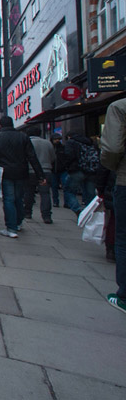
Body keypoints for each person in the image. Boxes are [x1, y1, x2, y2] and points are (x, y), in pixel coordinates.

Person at [0, 116, 45, 239]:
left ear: (0, 126)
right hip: (21, 172)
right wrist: (40, 175)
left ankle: (11, 228)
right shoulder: (23, 137)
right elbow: (32, 157)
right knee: (19, 198)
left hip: (5, 172)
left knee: (9, 199)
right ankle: (18, 223)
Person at [100, 98, 126, 314]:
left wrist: (112, 168)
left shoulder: (119, 107)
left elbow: (113, 148)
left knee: (124, 238)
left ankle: (124, 295)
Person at [23, 127, 55, 224]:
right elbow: (53, 157)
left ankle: (27, 212)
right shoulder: (47, 143)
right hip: (46, 170)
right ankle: (46, 216)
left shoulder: (26, 142)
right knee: (45, 194)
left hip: (30, 171)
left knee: (29, 192)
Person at [64, 129, 99, 216]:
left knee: (69, 191)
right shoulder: (90, 142)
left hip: (77, 170)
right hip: (91, 171)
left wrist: (68, 166)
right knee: (90, 193)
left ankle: (78, 209)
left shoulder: (71, 142)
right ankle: (91, 212)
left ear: (69, 136)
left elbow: (69, 156)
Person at [50, 133, 69, 208]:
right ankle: (55, 201)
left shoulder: (63, 148)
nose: (57, 140)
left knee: (65, 186)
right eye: (55, 139)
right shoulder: (51, 148)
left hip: (62, 169)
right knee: (54, 187)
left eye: (58, 139)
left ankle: (66, 202)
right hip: (53, 170)